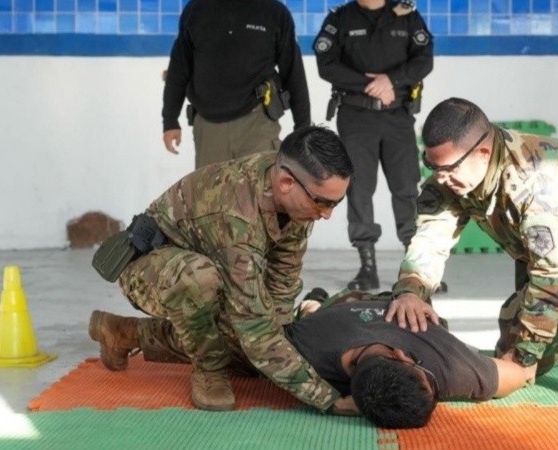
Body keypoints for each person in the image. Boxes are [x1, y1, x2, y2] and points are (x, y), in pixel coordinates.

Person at [384, 98, 558, 414]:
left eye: (448, 168)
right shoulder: (450, 177)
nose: (440, 178)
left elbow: (552, 281)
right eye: (432, 166)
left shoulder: (537, 183)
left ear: (482, 153)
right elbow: (429, 239)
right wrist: (412, 291)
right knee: (511, 345)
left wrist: (525, 356)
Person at [90, 126, 353, 413]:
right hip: (153, 269)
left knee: (257, 354)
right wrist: (328, 399)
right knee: (201, 283)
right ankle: (209, 369)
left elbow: (281, 284)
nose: (327, 214)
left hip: (215, 267)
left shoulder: (294, 194)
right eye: (323, 203)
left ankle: (124, 332)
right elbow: (253, 325)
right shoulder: (237, 212)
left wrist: (283, 346)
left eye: (336, 203)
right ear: (286, 183)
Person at [89, 290, 534, 428]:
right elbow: (521, 372)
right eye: (431, 381)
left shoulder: (443, 363)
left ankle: (315, 302)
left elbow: (517, 368)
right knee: (239, 346)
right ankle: (126, 329)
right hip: (347, 310)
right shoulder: (453, 367)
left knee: (303, 318)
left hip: (360, 306)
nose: (436, 381)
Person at [313, 0, 434, 291]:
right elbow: (326, 64)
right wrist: (369, 84)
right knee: (359, 189)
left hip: (398, 116)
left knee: (406, 188)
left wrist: (392, 80)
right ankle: (367, 268)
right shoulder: (340, 19)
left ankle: (415, 268)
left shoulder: (407, 16)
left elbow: (424, 59)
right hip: (356, 117)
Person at [162, 0, 311, 168]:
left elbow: (293, 73)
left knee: (260, 193)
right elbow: (178, 69)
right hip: (209, 128)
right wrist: (170, 120)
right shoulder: (196, 10)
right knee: (211, 193)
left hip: (258, 124)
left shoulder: (275, 12)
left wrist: (303, 128)